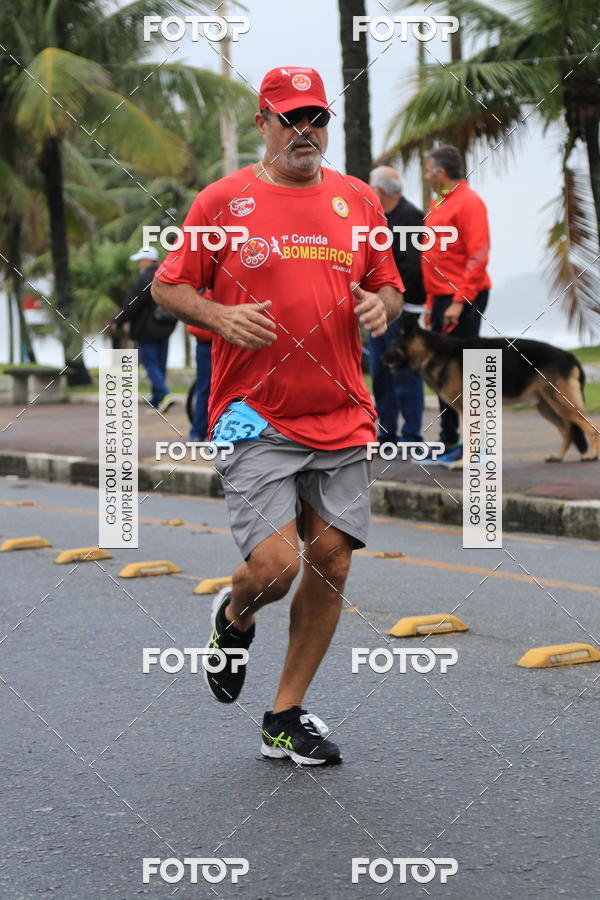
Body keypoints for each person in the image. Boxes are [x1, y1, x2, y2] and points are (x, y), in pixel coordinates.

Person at [152, 66, 404, 765]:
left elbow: (389, 283)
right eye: (290, 118)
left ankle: (284, 716)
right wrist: (218, 314)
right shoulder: (223, 201)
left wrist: (384, 306)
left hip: (344, 411)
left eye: (316, 118)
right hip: (249, 413)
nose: (305, 131)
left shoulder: (358, 200)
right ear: (263, 122)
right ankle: (235, 619)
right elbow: (169, 286)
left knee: (331, 563)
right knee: (274, 566)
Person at [421, 145, 492, 464]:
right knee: (442, 371)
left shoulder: (469, 203)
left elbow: (478, 255)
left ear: (440, 173)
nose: (425, 176)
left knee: (468, 371)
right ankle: (448, 441)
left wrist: (459, 301)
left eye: (427, 170)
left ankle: (479, 445)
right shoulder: (440, 203)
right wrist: (430, 301)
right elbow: (436, 258)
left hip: (463, 297)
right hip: (441, 299)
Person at [369, 166, 426, 444]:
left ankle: (412, 435)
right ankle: (387, 433)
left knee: (404, 372)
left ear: (379, 190)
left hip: (402, 311)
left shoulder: (410, 216)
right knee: (381, 374)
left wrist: (388, 297)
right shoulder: (377, 218)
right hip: (377, 309)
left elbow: (412, 268)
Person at [113, 247, 177, 414]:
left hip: (147, 329)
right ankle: (157, 401)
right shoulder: (167, 274)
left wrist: (118, 321)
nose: (139, 264)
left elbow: (133, 303)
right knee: (160, 363)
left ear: (148, 261)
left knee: (150, 363)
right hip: (166, 326)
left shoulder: (146, 277)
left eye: (141, 260)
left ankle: (164, 394)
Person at [187, 299, 213, 441]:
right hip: (209, 344)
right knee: (205, 388)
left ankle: (198, 431)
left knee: (203, 388)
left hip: (205, 344)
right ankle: (198, 430)